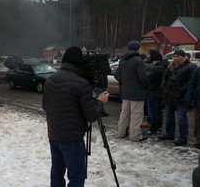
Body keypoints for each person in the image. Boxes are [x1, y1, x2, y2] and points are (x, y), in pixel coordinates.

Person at [42, 46, 109, 187]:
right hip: (71, 139)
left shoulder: (50, 79)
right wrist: (100, 102)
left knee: (57, 172)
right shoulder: (81, 84)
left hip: (54, 135)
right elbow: (91, 115)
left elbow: (45, 106)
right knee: (76, 177)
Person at [159, 49, 196, 146]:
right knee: (168, 116)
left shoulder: (191, 67)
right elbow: (164, 77)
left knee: (181, 118)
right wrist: (164, 87)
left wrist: (180, 90)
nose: (175, 58)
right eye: (174, 56)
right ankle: (169, 134)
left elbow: (190, 82)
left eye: (177, 56)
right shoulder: (171, 66)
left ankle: (183, 137)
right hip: (169, 96)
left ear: (183, 57)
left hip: (181, 98)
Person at [115, 40, 149, 142]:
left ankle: (121, 133)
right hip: (137, 93)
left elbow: (117, 75)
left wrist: (125, 83)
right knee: (136, 115)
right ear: (138, 48)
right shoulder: (139, 61)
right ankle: (135, 136)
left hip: (126, 92)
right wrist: (147, 86)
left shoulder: (122, 60)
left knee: (124, 114)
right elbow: (143, 78)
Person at [146, 51, 169, 135]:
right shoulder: (167, 66)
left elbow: (149, 78)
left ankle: (153, 129)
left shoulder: (157, 68)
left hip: (154, 91)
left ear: (155, 60)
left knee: (153, 112)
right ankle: (159, 127)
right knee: (159, 111)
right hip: (162, 92)